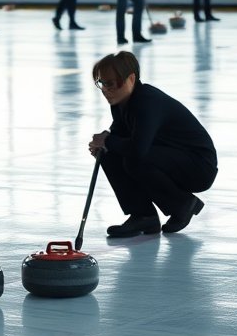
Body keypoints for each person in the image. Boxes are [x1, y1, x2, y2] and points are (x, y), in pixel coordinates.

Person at [87, 51, 216, 238]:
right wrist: (104, 144)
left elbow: (138, 150)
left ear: (131, 79)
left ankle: (182, 203)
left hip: (198, 166)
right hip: (170, 157)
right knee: (109, 154)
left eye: (111, 83)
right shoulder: (120, 103)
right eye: (102, 84)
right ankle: (143, 215)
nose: (106, 90)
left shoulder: (147, 101)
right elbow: (118, 136)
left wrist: (108, 140)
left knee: (134, 159)